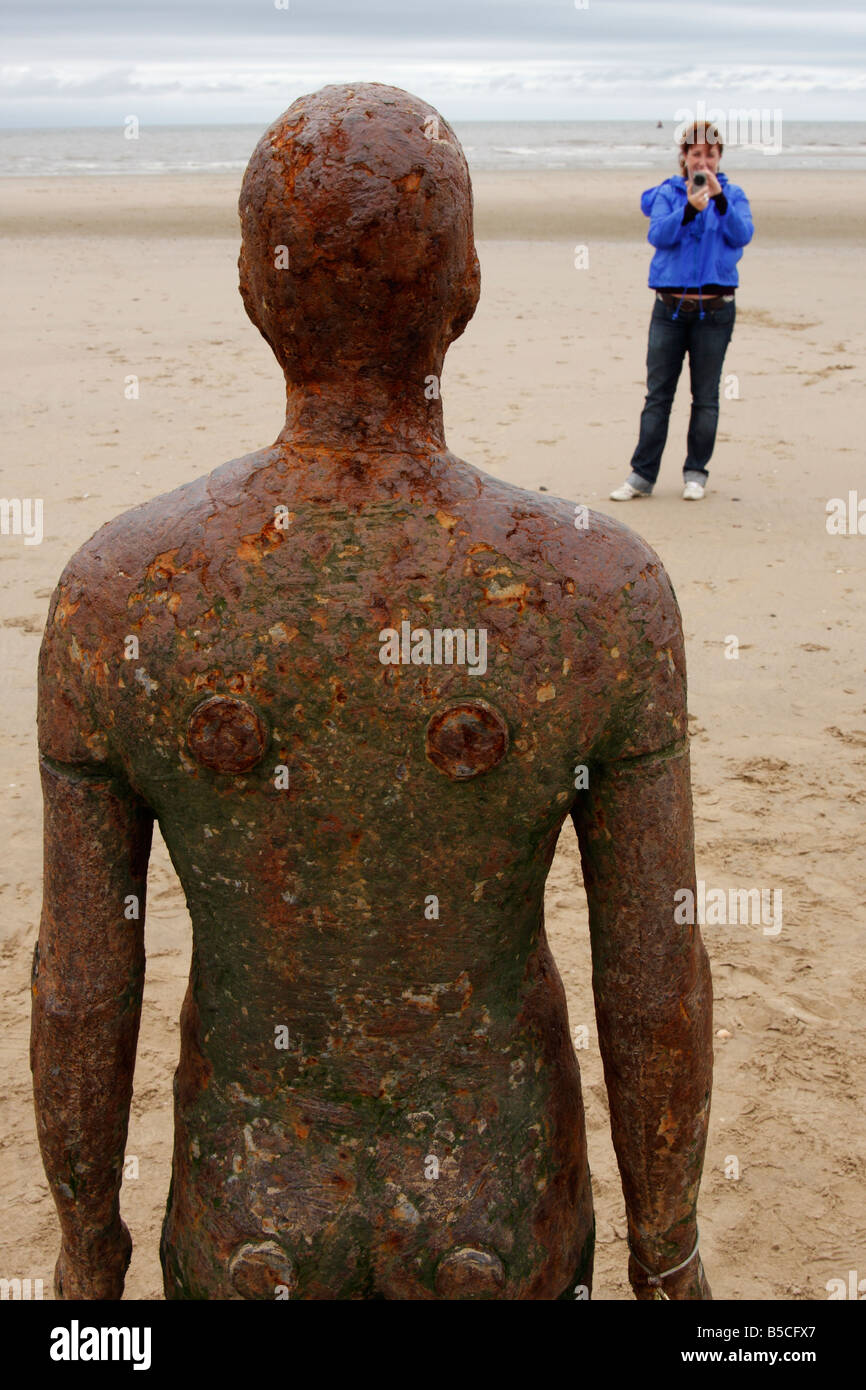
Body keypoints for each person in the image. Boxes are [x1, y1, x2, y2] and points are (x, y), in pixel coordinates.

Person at [32, 83, 713, 1300]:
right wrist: (668, 1256)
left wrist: (88, 1256)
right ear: (466, 290)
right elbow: (652, 967)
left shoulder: (121, 593)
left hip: (248, 1228)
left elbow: (84, 981)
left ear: (253, 292)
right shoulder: (596, 589)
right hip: (500, 1223)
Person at [611, 120, 754, 502]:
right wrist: (689, 209)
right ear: (684, 158)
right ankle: (642, 476)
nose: (702, 162)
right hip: (669, 309)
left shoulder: (734, 194)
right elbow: (658, 235)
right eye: (696, 154)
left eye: (710, 155)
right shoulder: (668, 194)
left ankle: (696, 472)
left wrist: (719, 200)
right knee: (658, 395)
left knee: (705, 396)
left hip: (715, 312)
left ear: (719, 158)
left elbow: (742, 235)